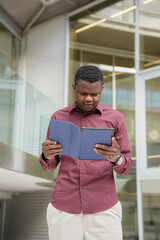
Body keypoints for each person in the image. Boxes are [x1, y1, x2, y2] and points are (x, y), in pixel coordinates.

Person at [39, 65, 133, 240]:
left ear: (102, 90)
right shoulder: (58, 117)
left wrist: (117, 159)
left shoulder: (115, 119)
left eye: (95, 94)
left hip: (104, 210)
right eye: (83, 93)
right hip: (63, 209)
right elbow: (49, 167)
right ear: (74, 88)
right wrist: (47, 155)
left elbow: (127, 167)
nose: (89, 98)